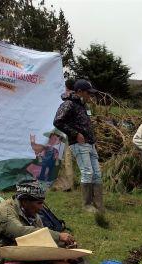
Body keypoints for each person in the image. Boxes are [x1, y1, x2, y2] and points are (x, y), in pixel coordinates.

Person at [0, 180, 75, 264]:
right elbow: (19, 232)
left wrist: (64, 246)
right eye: (39, 203)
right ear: (25, 201)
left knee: (69, 257)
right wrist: (58, 236)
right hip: (1, 259)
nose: (41, 208)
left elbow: (42, 239)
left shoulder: (32, 213)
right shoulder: (5, 211)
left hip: (24, 253)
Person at [53, 79, 102, 212]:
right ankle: (87, 205)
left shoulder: (81, 105)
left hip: (90, 144)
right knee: (87, 172)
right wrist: (75, 134)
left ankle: (98, 203)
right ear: (79, 91)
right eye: (88, 92)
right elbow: (58, 121)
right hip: (79, 144)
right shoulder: (68, 104)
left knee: (97, 173)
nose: (89, 95)